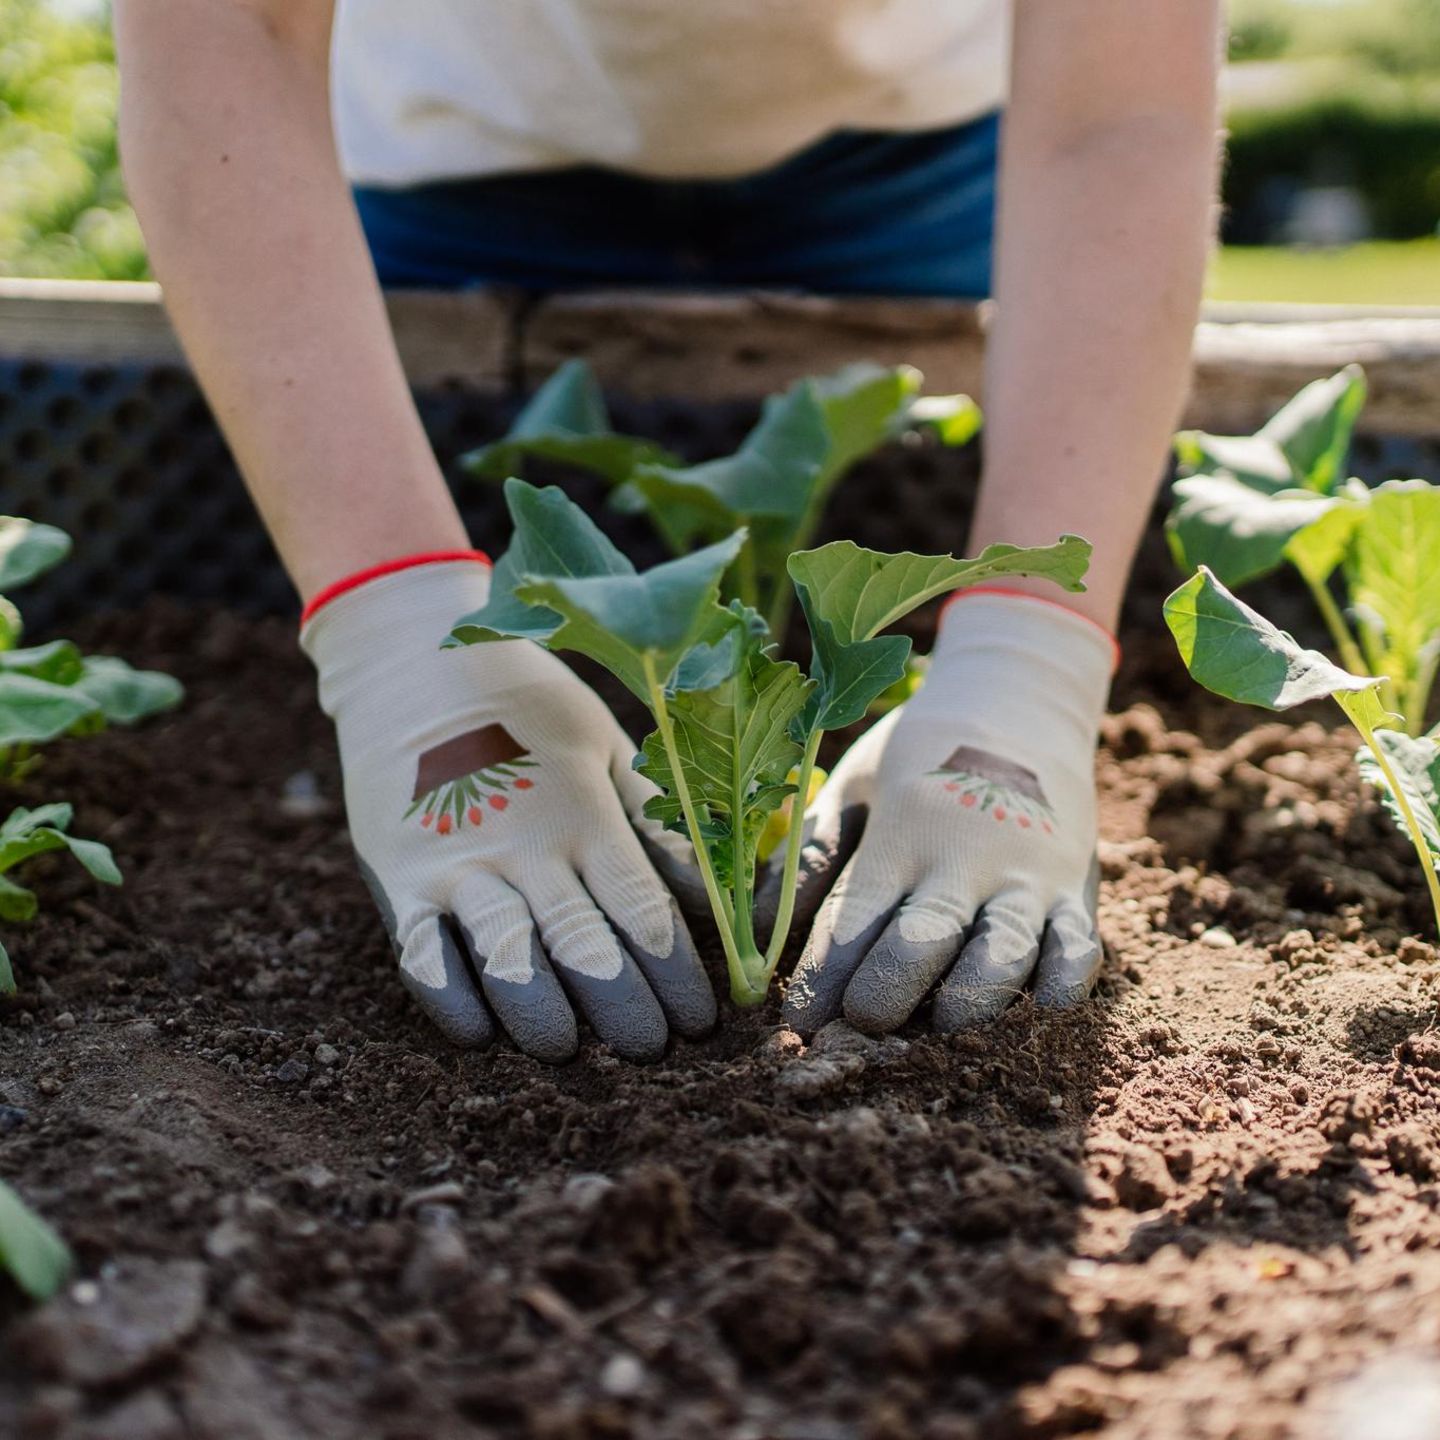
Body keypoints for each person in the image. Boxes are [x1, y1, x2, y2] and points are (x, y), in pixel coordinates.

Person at [112, 1, 1222, 1062]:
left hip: (922, 169)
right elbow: (225, 27)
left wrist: (1029, 666)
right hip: (456, 166)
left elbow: (1121, 104)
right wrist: (397, 638)